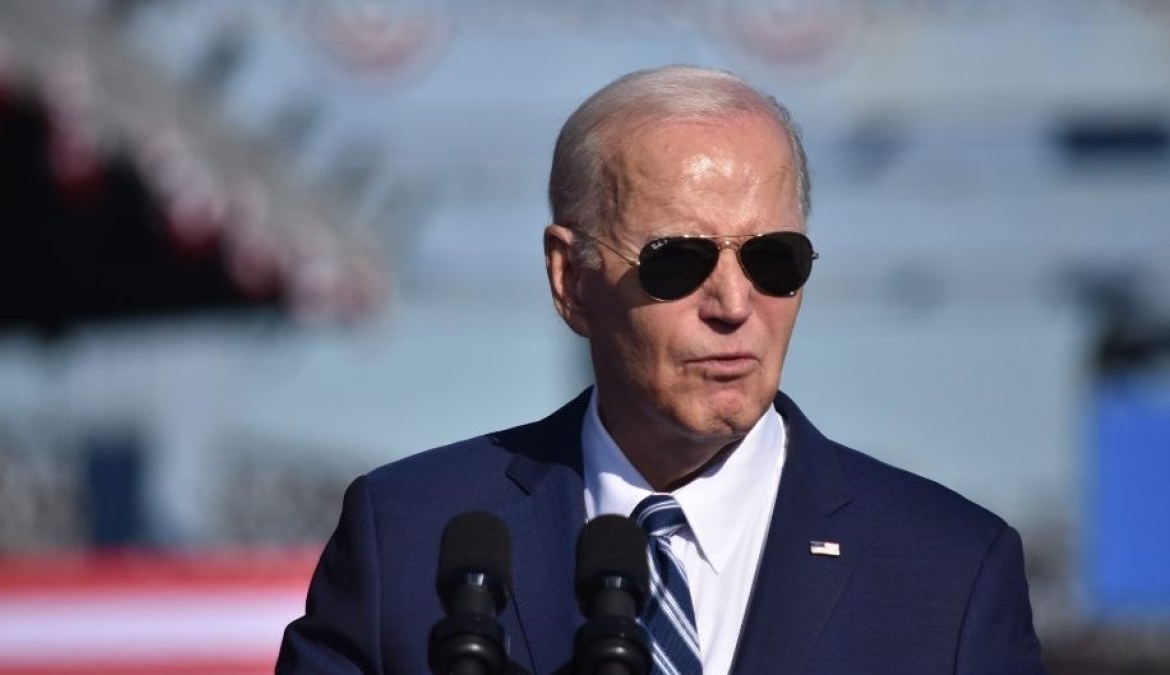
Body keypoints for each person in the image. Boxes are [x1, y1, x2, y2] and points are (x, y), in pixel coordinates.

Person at [277, 65, 1045, 675]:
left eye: (774, 259)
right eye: (679, 260)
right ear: (569, 277)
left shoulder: (949, 574)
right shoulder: (407, 537)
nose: (734, 303)